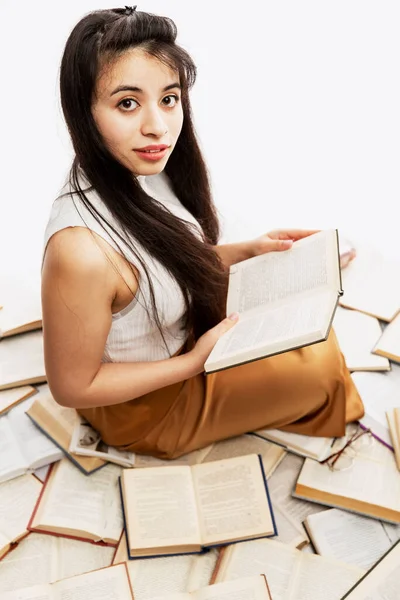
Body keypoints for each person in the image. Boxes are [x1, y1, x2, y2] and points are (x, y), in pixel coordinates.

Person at [41, 6, 364, 459]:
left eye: (168, 98)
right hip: (146, 407)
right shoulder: (80, 252)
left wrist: (246, 250)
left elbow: (158, 263)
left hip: (183, 341)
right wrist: (194, 363)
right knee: (324, 369)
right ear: (84, 111)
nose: (158, 125)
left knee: (314, 332)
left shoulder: (139, 167)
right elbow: (73, 386)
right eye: (127, 103)